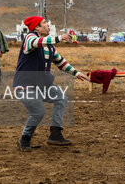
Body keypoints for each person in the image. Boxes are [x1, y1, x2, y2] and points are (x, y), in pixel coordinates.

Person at [14, 16, 90, 151]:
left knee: (61, 98)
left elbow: (60, 62)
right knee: (38, 112)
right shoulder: (29, 38)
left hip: (43, 85)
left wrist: (77, 73)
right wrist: (60, 38)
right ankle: (24, 139)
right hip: (26, 85)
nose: (48, 25)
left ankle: (55, 133)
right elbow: (38, 42)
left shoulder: (49, 46)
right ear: (36, 27)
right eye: (44, 23)